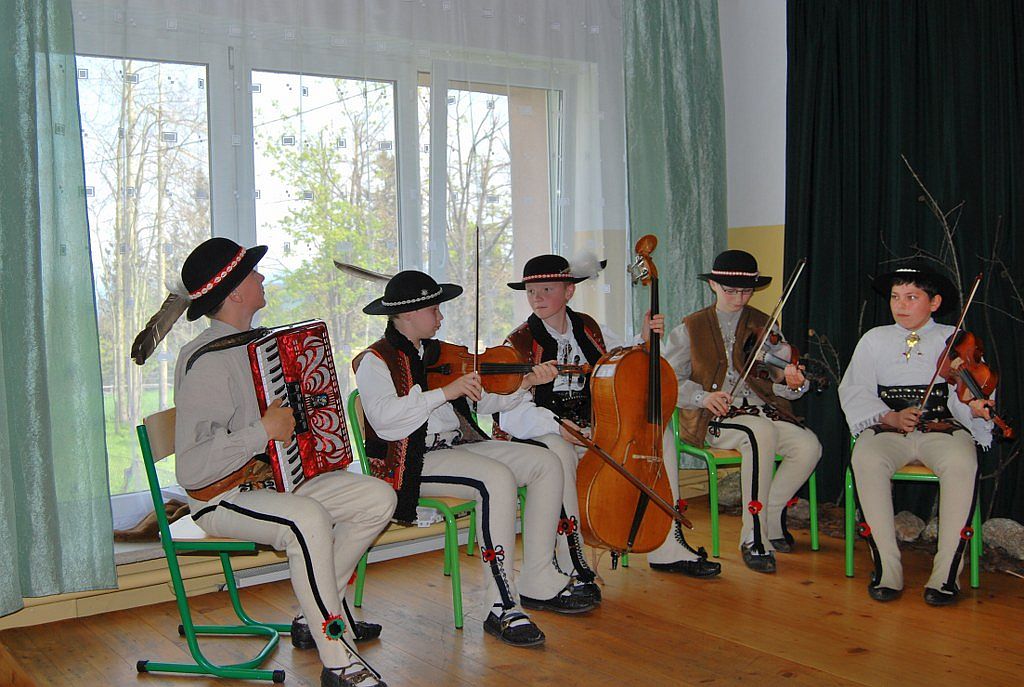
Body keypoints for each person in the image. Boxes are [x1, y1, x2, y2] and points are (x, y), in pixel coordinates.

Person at [173, 238, 395, 687]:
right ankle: (338, 661)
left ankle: (315, 612)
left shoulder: (257, 347)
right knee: (306, 520)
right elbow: (192, 469)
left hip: (273, 483)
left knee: (377, 497)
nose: (262, 277)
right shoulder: (208, 363)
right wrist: (263, 431)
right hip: (221, 496)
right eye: (253, 273)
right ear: (235, 292)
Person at [352, 270, 595, 649]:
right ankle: (501, 605)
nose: (441, 317)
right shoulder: (375, 360)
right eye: (434, 310)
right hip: (412, 461)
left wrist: (526, 383)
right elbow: (384, 420)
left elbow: (486, 400)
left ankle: (538, 577)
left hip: (457, 448)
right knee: (495, 479)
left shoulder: (440, 353)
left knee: (545, 463)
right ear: (410, 313)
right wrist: (444, 393)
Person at [495, 254, 722, 591]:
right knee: (558, 450)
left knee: (657, 434)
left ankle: (667, 544)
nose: (537, 298)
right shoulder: (519, 343)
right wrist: (559, 427)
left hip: (591, 427)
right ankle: (571, 559)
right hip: (541, 432)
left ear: (569, 291)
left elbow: (622, 360)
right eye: (531, 292)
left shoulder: (589, 328)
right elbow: (511, 413)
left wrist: (645, 340)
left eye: (547, 289)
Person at [838, 261, 994, 606]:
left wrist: (975, 407)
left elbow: (968, 391)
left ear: (934, 302)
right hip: (889, 427)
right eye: (896, 297)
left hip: (941, 427)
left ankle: (946, 574)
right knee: (866, 459)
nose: (901, 305)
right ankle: (887, 568)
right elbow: (854, 390)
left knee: (962, 463)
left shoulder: (955, 339)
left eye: (911, 297)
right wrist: (890, 416)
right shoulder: (873, 339)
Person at [667, 249, 822, 573]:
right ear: (713, 285)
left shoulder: (765, 326)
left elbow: (777, 384)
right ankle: (754, 538)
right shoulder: (691, 328)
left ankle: (771, 516)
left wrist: (792, 382)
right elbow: (669, 380)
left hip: (764, 412)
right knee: (758, 433)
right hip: (716, 418)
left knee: (808, 446)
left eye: (746, 291)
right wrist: (703, 397)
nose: (739, 299)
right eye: (731, 291)